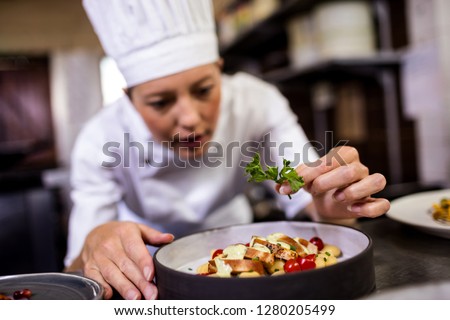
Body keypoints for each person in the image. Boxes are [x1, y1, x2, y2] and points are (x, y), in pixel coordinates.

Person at [65, 0, 390, 300]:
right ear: (129, 97)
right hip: (145, 274)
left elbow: (309, 192)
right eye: (160, 102)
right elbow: (73, 271)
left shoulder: (257, 103)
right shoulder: (99, 139)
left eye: (204, 89)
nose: (190, 117)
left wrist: (332, 201)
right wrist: (95, 243)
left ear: (220, 69)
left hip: (245, 259)